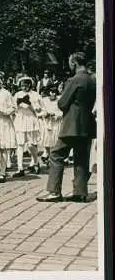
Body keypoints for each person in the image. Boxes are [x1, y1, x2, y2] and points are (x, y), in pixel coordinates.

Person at [36, 52, 96, 203]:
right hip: (87, 125)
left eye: (70, 63)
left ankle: (54, 191)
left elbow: (62, 103)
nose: (69, 66)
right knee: (81, 158)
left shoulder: (74, 80)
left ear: (74, 63)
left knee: (56, 154)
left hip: (71, 125)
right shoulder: (92, 79)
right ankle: (80, 192)